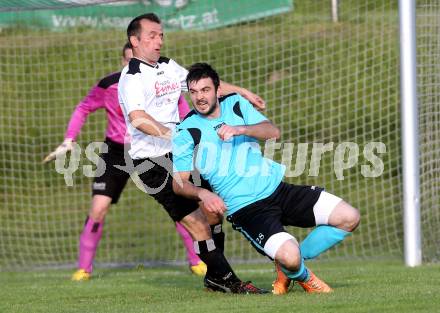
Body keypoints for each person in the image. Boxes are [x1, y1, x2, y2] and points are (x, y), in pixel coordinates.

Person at [172, 62, 361, 295]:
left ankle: (287, 266)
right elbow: (178, 183)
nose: (200, 97)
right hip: (248, 209)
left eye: (205, 90)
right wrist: (203, 192)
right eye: (194, 92)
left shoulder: (237, 104)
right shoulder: (186, 130)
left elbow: (272, 132)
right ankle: (303, 276)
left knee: (349, 217)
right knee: (291, 258)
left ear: (218, 89)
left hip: (279, 190)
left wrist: (241, 130)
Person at [118, 13, 268, 294]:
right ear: (134, 40)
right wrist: (175, 134)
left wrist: (243, 92)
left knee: (214, 211)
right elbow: (137, 117)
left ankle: (214, 276)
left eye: (161, 35)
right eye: (152, 35)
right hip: (150, 162)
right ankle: (228, 281)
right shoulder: (132, 77)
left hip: (181, 156)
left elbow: (206, 85)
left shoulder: (166, 66)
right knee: (198, 224)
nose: (159, 40)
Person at [43, 43, 207, 281]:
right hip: (116, 153)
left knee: (179, 205)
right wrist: (69, 139)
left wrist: (187, 136)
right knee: (98, 208)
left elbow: (180, 106)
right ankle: (83, 269)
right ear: (124, 62)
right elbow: (83, 107)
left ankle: (197, 261)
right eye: (132, 61)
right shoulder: (108, 85)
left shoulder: (159, 83)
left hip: (154, 151)